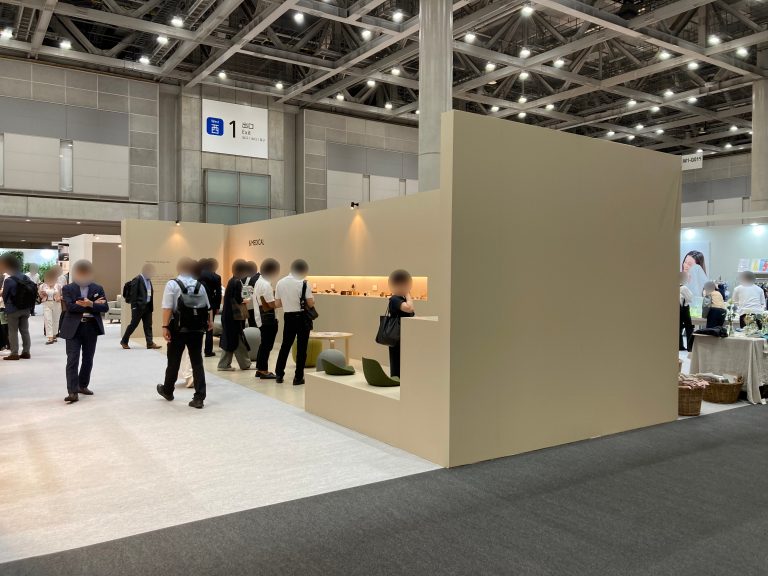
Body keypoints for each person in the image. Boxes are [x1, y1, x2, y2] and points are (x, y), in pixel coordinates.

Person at [156, 257, 212, 409]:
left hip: (178, 328)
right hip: (197, 329)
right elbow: (207, 307)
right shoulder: (200, 285)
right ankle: (199, 397)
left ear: (179, 268)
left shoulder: (172, 284)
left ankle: (168, 391)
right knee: (197, 362)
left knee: (173, 360)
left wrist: (165, 326)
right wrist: (209, 322)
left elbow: (167, 307)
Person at [60, 260, 109, 404]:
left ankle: (82, 385)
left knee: (88, 359)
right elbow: (70, 307)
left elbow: (105, 307)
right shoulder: (68, 288)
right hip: (73, 328)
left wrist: (89, 304)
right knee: (72, 359)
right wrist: (92, 305)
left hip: (91, 328)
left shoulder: (98, 288)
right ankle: (72, 391)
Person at [274, 259, 315, 385]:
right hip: (302, 318)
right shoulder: (304, 283)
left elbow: (277, 304)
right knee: (302, 348)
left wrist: (288, 301)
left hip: (288, 317)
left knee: (285, 346)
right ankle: (298, 377)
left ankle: (279, 374)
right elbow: (310, 303)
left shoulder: (280, 282)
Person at [0, 253, 36, 361]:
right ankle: (26, 352)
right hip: (25, 308)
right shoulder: (26, 277)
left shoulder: (9, 280)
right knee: (25, 330)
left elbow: (5, 296)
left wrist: (6, 306)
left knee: (13, 331)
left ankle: (14, 353)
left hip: (13, 309)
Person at [218, 259, 252, 372]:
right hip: (233, 317)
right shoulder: (237, 282)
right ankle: (244, 364)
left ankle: (227, 364)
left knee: (232, 340)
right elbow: (238, 299)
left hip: (228, 316)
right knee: (236, 339)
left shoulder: (232, 280)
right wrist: (245, 300)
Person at [120, 263, 161, 350]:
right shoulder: (137, 279)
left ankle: (150, 343)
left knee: (148, 325)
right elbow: (133, 294)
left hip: (148, 307)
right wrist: (134, 306)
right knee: (133, 325)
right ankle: (124, 341)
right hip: (138, 307)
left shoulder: (149, 280)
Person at [385, 269, 415, 378]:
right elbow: (409, 308)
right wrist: (408, 294)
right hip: (397, 335)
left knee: (402, 360)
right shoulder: (395, 299)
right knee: (397, 359)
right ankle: (397, 380)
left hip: (402, 335)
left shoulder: (400, 298)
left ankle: (401, 380)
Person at [254, 258, 280, 379]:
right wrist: (283, 302)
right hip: (268, 319)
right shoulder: (265, 285)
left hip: (261, 318)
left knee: (264, 344)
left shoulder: (259, 282)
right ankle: (263, 370)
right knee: (267, 345)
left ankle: (260, 368)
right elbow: (270, 304)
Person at [198, 258, 222, 357]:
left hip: (198, 304)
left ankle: (197, 350)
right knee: (209, 328)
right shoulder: (216, 277)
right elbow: (218, 293)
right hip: (210, 305)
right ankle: (208, 351)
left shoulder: (197, 275)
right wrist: (217, 306)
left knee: (198, 328)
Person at [39, 268, 62, 344]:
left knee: (56, 320)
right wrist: (43, 294)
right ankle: (50, 337)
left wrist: (59, 297)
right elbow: (40, 295)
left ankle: (54, 334)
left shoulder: (58, 286)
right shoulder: (42, 286)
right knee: (48, 319)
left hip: (56, 303)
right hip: (47, 303)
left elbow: (62, 295)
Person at [679, 271, 694, 352]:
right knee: (689, 327)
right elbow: (690, 298)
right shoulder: (684, 288)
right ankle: (690, 346)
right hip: (684, 308)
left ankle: (680, 345)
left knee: (679, 327)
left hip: (678, 309)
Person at [243, 261, 259, 328]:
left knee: (243, 325)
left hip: (245, 304)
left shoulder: (242, 278)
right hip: (254, 305)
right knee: (253, 324)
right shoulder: (259, 277)